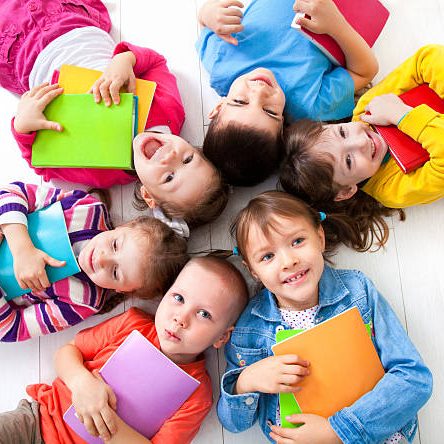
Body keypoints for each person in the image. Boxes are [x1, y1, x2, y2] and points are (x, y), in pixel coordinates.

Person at [217, 191, 432, 444]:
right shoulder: (249, 329)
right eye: (267, 256)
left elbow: (415, 379)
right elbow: (232, 423)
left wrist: (339, 431)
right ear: (252, 270)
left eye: (297, 241)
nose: (288, 261)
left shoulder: (357, 290)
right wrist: (246, 382)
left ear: (319, 237)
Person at [1, 0, 228, 228]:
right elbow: (155, 62)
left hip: (19, 53)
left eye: (169, 178)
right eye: (188, 159)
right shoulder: (169, 109)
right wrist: (124, 60)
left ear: (148, 195)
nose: (169, 158)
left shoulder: (104, 173)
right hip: (71, 20)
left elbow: (42, 164)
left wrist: (23, 125)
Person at [0, 256, 249, 444]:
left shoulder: (197, 394)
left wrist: (105, 419)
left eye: (204, 314)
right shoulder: (133, 324)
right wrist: (82, 384)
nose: (181, 318)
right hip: (38, 421)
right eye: (179, 298)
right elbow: (69, 351)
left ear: (222, 337)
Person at [280, 44, 444, 250]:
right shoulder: (390, 189)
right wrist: (401, 115)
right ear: (346, 191)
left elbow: (428, 59)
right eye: (348, 161)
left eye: (342, 132)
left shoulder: (366, 109)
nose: (360, 141)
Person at [197, 0, 378, 185]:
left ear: (218, 107)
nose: (260, 92)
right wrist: (337, 26)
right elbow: (364, 71)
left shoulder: (219, 66)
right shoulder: (310, 105)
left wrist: (209, 14)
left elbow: (203, 21)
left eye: (240, 101)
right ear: (282, 124)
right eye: (269, 111)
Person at [0, 181, 188, 341]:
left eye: (115, 272)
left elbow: (13, 329)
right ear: (124, 227)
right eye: (115, 245)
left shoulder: (83, 300)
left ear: (122, 290)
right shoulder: (85, 209)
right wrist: (22, 249)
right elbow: (12, 193)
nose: (102, 259)